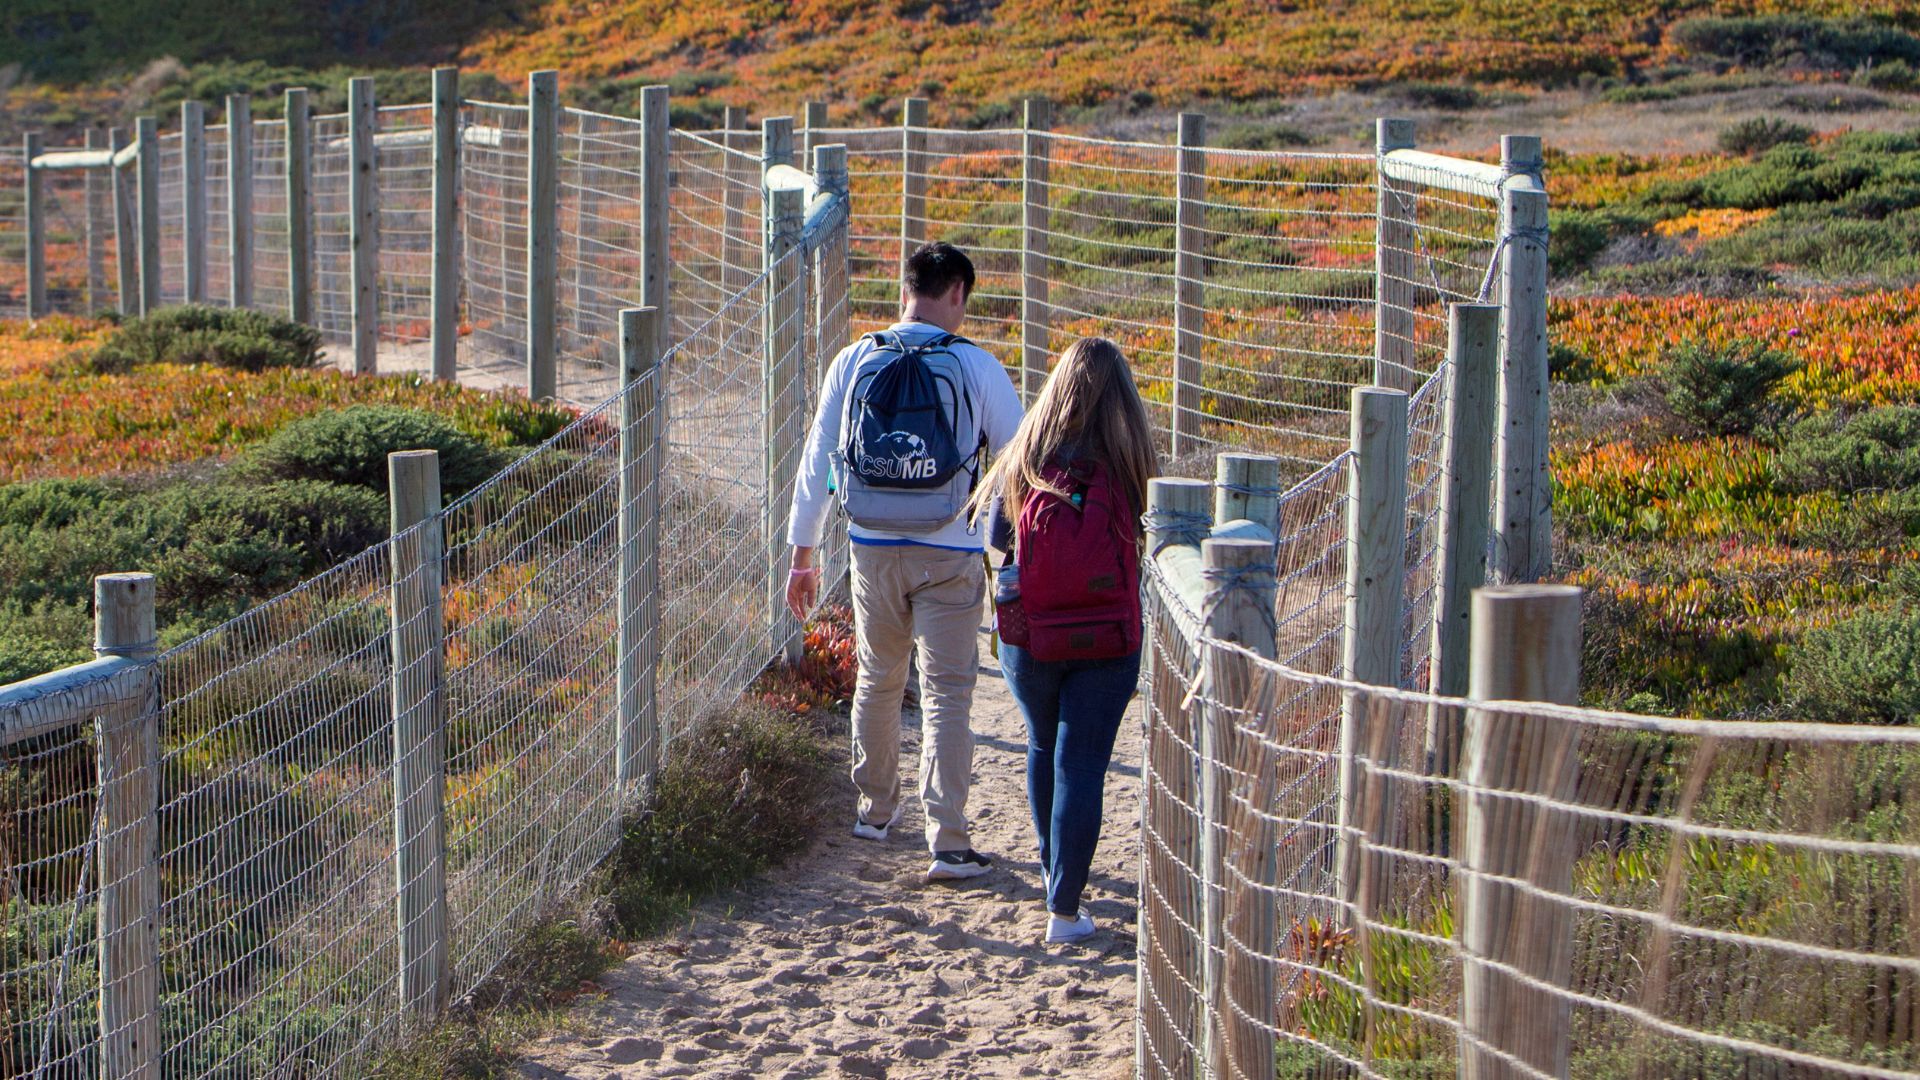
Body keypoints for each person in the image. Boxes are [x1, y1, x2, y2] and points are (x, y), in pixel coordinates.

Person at [786, 242, 1023, 882]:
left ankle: (874, 811)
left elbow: (818, 462)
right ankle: (947, 839)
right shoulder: (975, 365)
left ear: (904, 290)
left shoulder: (856, 358)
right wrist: (1008, 551)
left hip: (871, 545)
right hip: (951, 549)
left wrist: (802, 552)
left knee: (878, 676)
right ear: (958, 296)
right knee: (948, 693)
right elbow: (1017, 461)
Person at [969, 337, 1157, 943]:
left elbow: (997, 538)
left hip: (1031, 633)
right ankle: (1064, 909)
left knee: (1043, 747)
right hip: (1107, 635)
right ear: (1121, 398)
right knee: (1084, 764)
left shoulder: (1025, 457)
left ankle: (1057, 880)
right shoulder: (1131, 463)